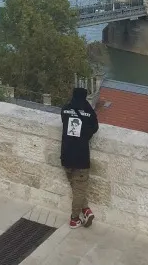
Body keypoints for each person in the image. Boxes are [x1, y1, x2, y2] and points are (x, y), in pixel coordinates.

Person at [60, 86, 99, 228]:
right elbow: (94, 127)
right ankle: (74, 218)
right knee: (80, 188)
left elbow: (65, 120)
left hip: (66, 155)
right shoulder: (88, 112)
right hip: (81, 157)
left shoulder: (65, 109)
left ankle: (86, 210)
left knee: (76, 188)